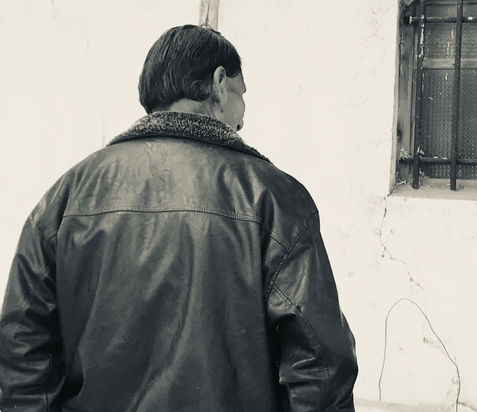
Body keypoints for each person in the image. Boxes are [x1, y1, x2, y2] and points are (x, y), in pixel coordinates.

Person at [0, 24, 357, 411]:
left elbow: (23, 347)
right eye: (241, 94)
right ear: (219, 83)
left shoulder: (67, 195)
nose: (242, 119)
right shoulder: (274, 197)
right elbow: (320, 364)